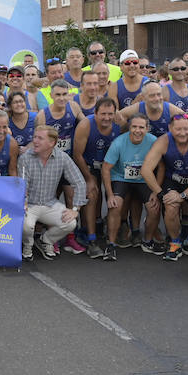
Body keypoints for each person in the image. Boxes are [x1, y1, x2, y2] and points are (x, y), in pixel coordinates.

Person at [140, 112, 188, 259]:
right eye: (178, 129)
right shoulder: (163, 141)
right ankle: (175, 243)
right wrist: (160, 194)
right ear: (170, 128)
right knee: (171, 207)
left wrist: (183, 195)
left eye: (186, 129)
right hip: (172, 180)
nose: (183, 133)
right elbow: (145, 170)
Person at [18, 125, 87, 261]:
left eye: (40, 138)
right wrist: (23, 204)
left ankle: (46, 240)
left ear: (52, 143)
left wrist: (75, 209)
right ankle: (28, 245)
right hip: (29, 204)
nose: (35, 141)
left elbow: (79, 182)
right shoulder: (25, 158)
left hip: (50, 203)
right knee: (26, 225)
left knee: (71, 222)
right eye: (35, 137)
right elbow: (22, 186)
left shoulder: (62, 158)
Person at [102, 112, 154, 259]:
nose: (138, 130)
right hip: (121, 178)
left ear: (147, 129)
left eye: (141, 127)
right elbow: (106, 168)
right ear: (129, 128)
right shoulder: (118, 143)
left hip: (143, 180)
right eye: (134, 127)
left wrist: (157, 191)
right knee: (115, 206)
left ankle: (147, 240)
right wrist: (110, 194)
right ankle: (111, 244)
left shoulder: (153, 141)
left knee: (153, 207)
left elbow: (162, 166)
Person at [72, 97, 121, 256]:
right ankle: (91, 239)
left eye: (110, 114)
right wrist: (88, 178)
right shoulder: (86, 124)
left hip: (110, 167)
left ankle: (113, 228)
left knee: (116, 196)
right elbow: (77, 155)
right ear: (95, 113)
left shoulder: (120, 124)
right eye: (103, 114)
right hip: (89, 166)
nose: (107, 118)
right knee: (92, 194)